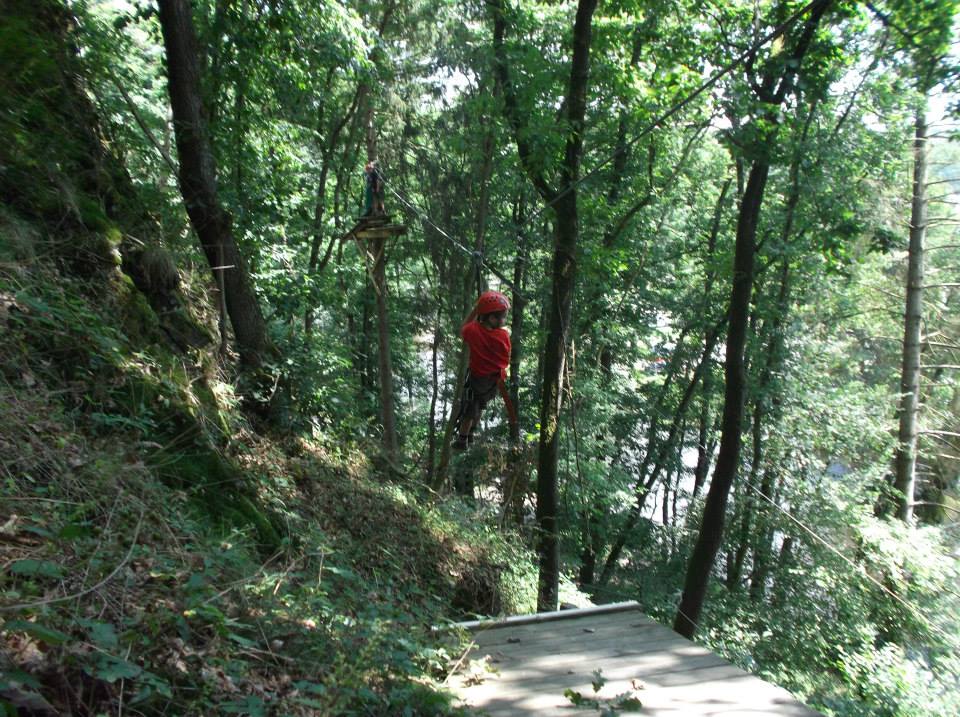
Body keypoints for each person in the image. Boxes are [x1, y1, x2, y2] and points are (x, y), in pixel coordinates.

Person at [453, 290, 518, 449]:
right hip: (494, 381)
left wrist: (476, 309)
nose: (504, 320)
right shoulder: (503, 336)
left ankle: (463, 439)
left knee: (471, 408)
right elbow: (506, 356)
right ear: (491, 318)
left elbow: (464, 327)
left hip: (477, 379)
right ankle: (471, 433)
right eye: (502, 316)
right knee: (480, 405)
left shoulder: (473, 331)